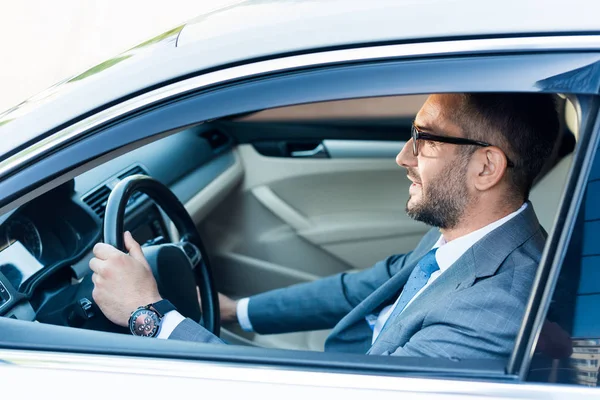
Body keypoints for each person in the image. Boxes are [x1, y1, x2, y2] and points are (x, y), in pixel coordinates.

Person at [89, 93, 559, 359]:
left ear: (486, 168)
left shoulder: (494, 313)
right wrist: (235, 311)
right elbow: (362, 290)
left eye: (425, 139)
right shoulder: (470, 237)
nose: (403, 157)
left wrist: (148, 315)